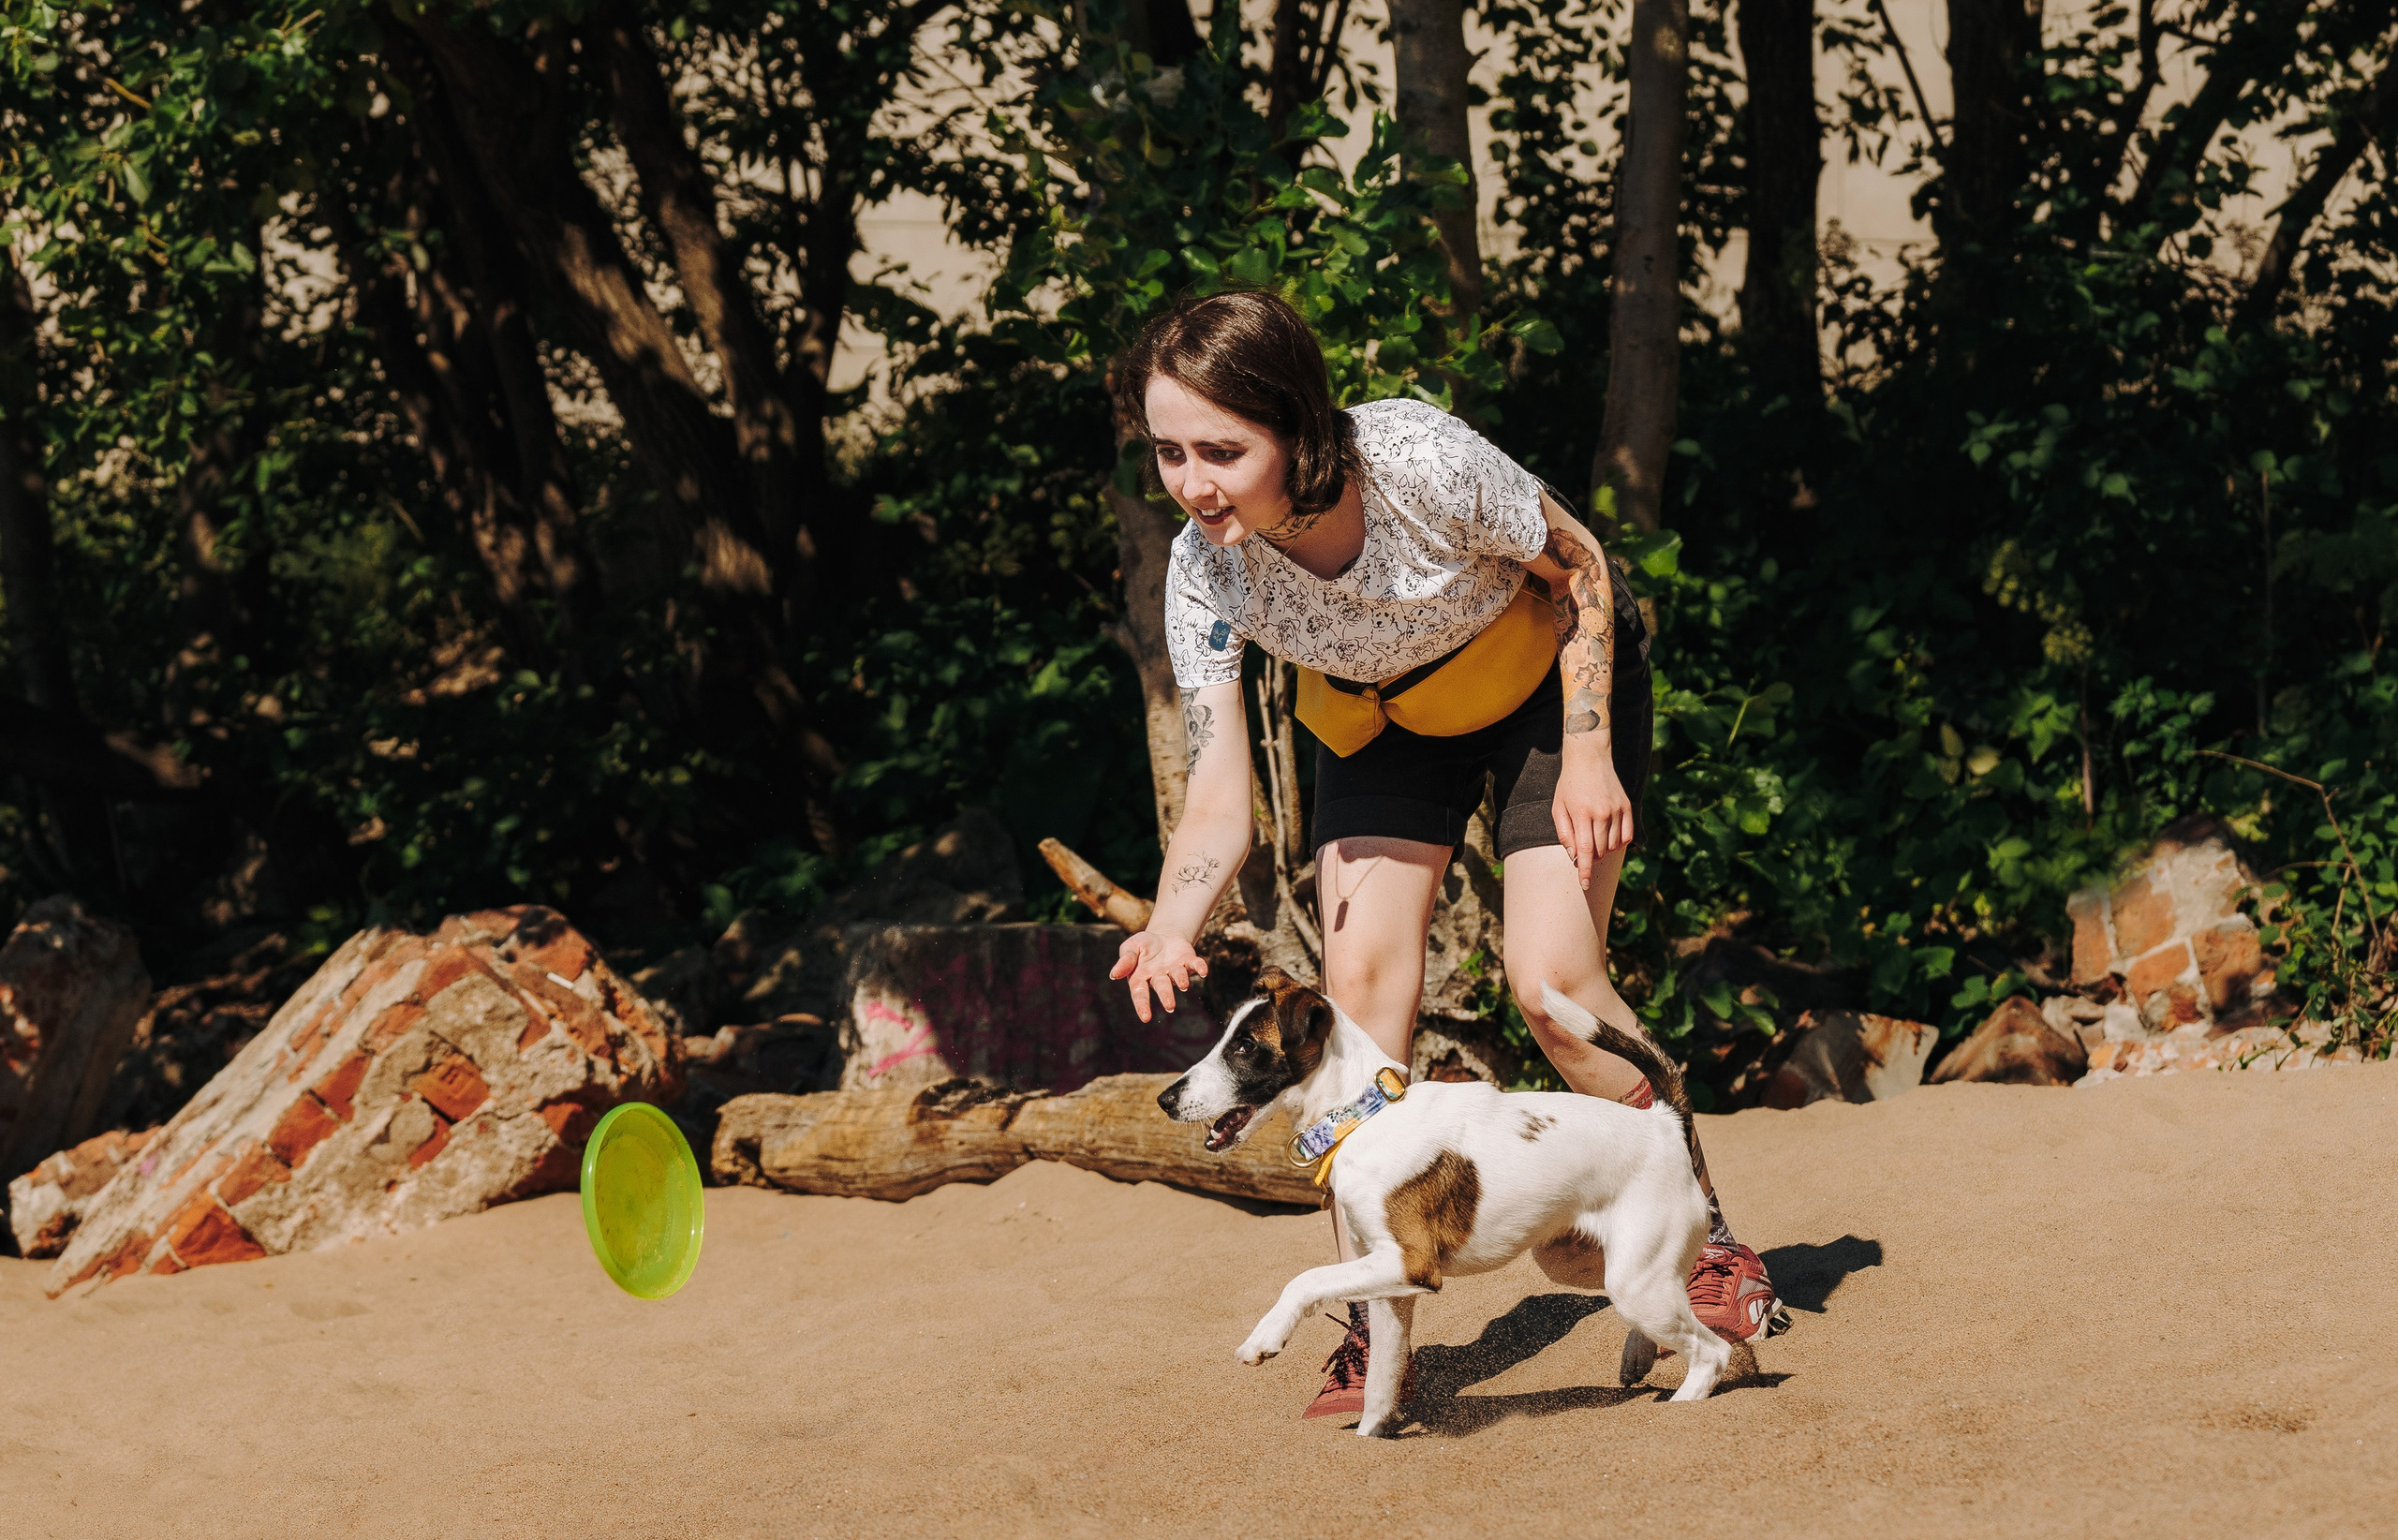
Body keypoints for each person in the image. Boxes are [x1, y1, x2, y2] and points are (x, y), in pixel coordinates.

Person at [1106, 289, 1785, 1421]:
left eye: (1223, 449)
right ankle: (1377, 1340)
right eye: (1171, 452)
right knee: (1357, 999)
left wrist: (1585, 754)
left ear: (1301, 429)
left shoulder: (1418, 458)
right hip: (1381, 725)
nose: (1193, 482)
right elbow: (1221, 792)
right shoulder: (1203, 569)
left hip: (1540, 688)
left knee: (1552, 987)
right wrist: (1173, 922)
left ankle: (1707, 1248)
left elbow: (1584, 569)